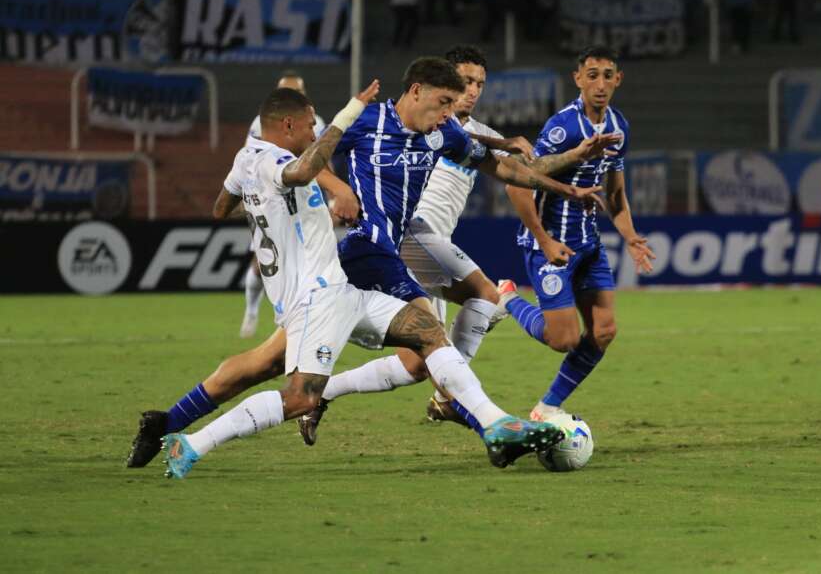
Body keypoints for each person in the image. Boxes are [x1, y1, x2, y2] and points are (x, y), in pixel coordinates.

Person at [127, 57, 601, 471]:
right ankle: (490, 425)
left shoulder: (445, 134)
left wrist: (566, 185)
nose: (445, 115)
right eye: (440, 103)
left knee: (269, 363)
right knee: (428, 332)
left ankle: (167, 422)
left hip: (372, 258)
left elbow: (507, 170)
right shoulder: (365, 122)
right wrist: (339, 189)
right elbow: (305, 152)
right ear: (415, 91)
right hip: (361, 249)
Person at [297, 46, 620, 440]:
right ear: (431, 87)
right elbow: (312, 153)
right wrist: (339, 188)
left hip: (425, 239)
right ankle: (467, 406)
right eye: (463, 83)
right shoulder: (413, 121)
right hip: (410, 236)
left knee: (421, 360)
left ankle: (330, 391)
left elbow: (518, 170)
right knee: (469, 309)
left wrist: (570, 167)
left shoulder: (462, 132)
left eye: (479, 84)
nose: (472, 92)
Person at [497, 45, 656, 424]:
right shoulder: (562, 127)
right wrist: (545, 239)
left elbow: (615, 194)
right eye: (592, 75)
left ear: (618, 80)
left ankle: (548, 406)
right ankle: (506, 298)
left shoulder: (619, 127)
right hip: (551, 245)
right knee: (563, 339)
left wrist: (631, 236)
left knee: (603, 331)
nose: (600, 84)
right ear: (578, 79)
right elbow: (517, 185)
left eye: (607, 75)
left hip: (589, 244)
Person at [239, 72, 360, 339]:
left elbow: (320, 160)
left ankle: (298, 317)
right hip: (274, 198)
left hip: (305, 198)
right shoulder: (260, 125)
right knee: (261, 262)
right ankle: (251, 310)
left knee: (306, 257)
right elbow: (250, 161)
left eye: (298, 90)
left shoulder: (315, 121)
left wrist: (333, 195)